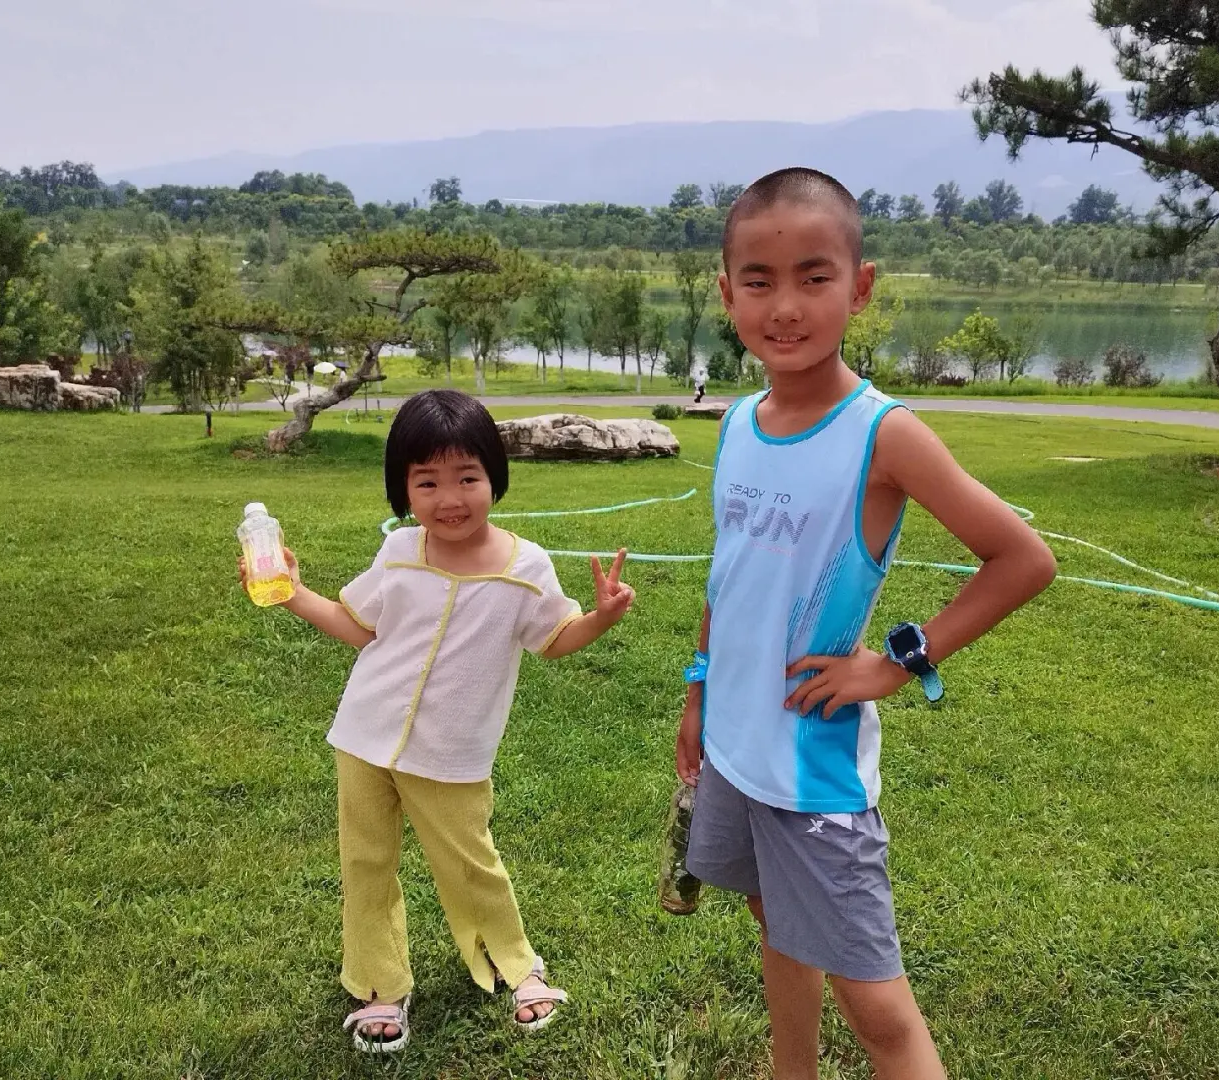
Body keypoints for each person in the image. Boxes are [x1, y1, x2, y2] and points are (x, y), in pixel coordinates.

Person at [674, 168, 1057, 1080]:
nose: (786, 307)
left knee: (880, 1012)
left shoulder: (883, 434)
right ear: (726, 292)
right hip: (734, 746)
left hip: (812, 769)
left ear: (861, 286)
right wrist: (697, 692)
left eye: (815, 276)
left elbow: (1022, 560)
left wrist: (892, 664)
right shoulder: (736, 422)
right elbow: (727, 579)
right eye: (758, 282)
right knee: (777, 928)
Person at [240, 388, 635, 1053]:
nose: (449, 498)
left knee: (470, 863)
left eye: (467, 478)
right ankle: (379, 987)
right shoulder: (397, 553)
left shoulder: (526, 567)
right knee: (366, 864)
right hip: (365, 738)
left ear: (494, 479)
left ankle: (518, 968)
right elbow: (359, 627)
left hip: (451, 752)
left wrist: (599, 618)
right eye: (427, 482)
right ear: (404, 490)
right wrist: (294, 592)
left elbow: (553, 637)